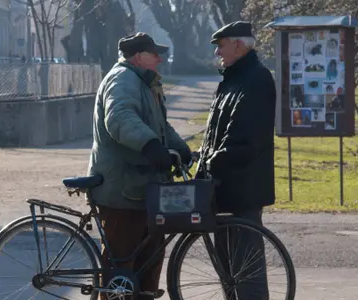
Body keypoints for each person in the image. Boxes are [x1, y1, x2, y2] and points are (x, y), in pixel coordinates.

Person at [87, 32, 191, 299]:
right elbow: (119, 118)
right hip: (122, 189)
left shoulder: (143, 82)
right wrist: (150, 145)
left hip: (143, 188)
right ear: (137, 56)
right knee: (121, 265)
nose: (160, 58)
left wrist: (181, 149)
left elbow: (161, 125)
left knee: (149, 258)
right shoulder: (122, 79)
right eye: (154, 53)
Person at [196, 21, 276, 299]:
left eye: (221, 45)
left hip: (243, 189)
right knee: (229, 273)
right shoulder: (234, 79)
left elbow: (245, 138)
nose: (218, 52)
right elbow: (216, 133)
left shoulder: (256, 79)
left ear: (238, 45)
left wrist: (212, 162)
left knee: (246, 272)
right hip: (224, 189)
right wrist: (203, 158)